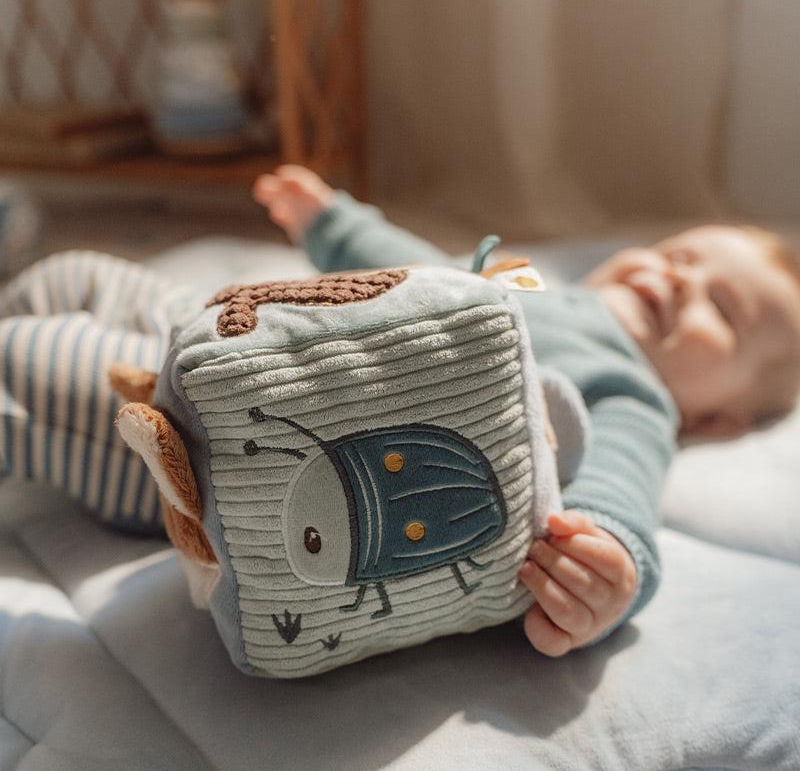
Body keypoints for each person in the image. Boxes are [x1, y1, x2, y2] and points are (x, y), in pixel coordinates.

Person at [252, 165, 800, 657]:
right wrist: (332, 223)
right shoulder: (527, 284)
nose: (681, 279)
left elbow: (621, 482)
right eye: (675, 255)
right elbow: (416, 269)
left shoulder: (632, 393)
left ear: (714, 422)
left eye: (722, 308)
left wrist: (608, 563)